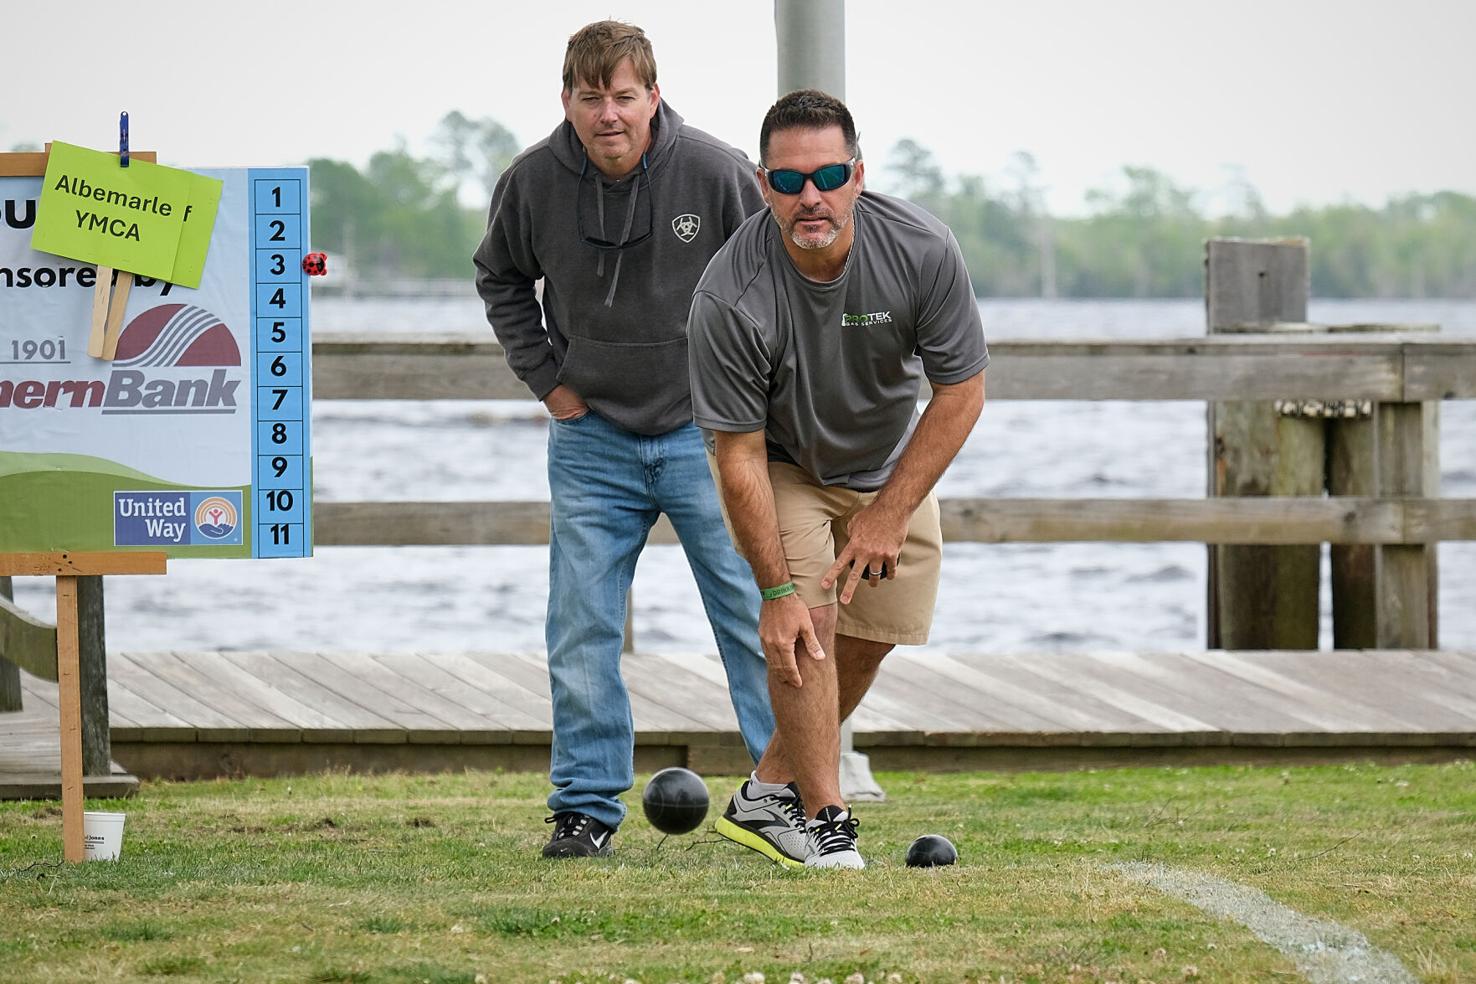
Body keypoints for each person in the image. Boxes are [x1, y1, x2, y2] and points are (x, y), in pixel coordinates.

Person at [472, 20, 778, 859]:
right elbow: (499, 278)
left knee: (755, 615)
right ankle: (584, 809)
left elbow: (774, 278)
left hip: (706, 438)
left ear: (652, 94)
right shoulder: (532, 181)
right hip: (592, 438)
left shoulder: (714, 172)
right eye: (589, 96)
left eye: (623, 96)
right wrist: (548, 381)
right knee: (580, 626)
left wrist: (743, 397)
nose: (607, 113)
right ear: (566, 100)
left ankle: (786, 793)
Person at [689, 90, 988, 869]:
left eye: (826, 175)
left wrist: (889, 515)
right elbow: (738, 455)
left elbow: (962, 391)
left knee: (869, 638)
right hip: (785, 465)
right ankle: (826, 819)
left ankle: (765, 794)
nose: (809, 197)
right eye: (788, 182)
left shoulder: (922, 249)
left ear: (858, 173)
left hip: (888, 470)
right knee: (808, 630)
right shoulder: (729, 295)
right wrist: (779, 594)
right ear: (763, 186)